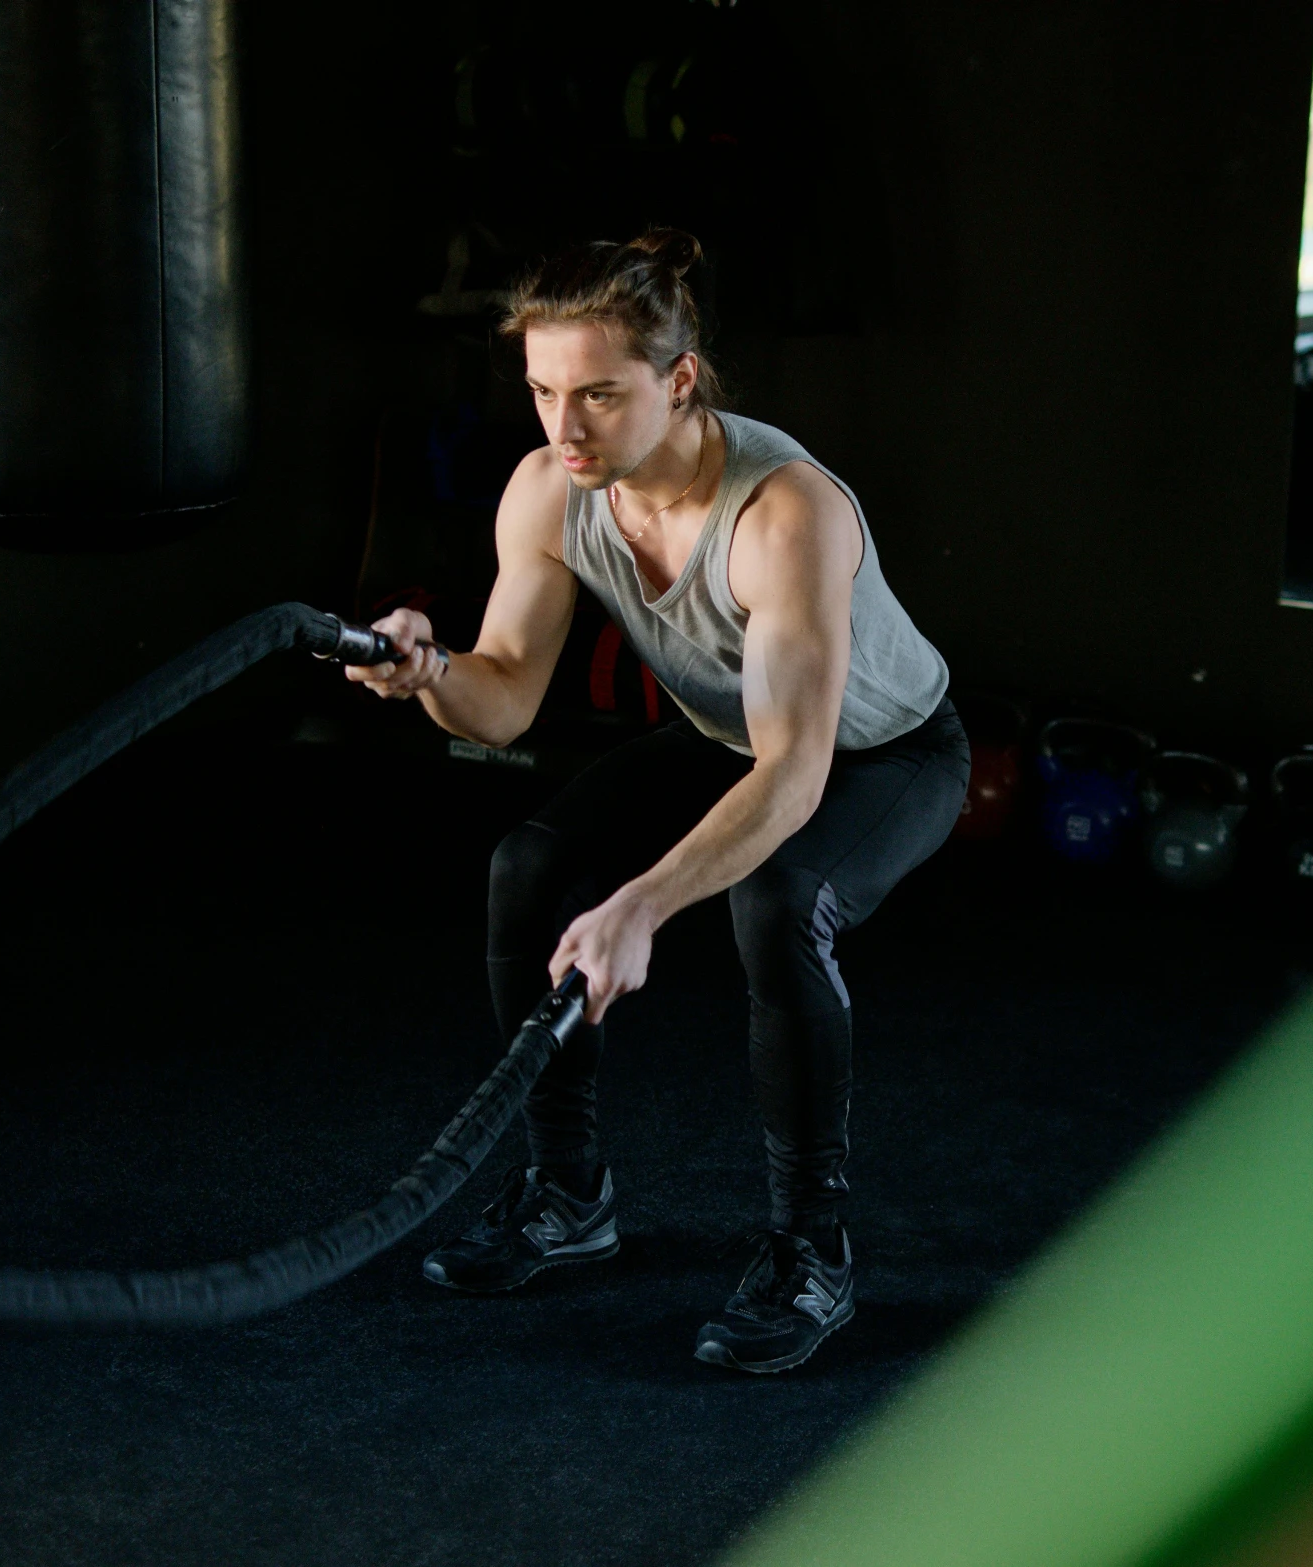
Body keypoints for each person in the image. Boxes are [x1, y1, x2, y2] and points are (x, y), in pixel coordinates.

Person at [346, 230, 968, 1373]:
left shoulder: (785, 510)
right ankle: (567, 1197)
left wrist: (642, 906)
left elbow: (794, 773)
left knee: (779, 902)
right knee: (525, 867)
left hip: (886, 757)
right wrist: (429, 673)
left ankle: (809, 1249)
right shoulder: (550, 490)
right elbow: (504, 706)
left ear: (678, 380)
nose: (561, 427)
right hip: (726, 737)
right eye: (541, 391)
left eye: (596, 393)